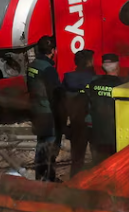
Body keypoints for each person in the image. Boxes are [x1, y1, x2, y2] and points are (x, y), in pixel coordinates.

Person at [26, 36, 61, 181]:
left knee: (40, 143)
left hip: (35, 111)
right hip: (48, 113)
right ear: (53, 51)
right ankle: (48, 178)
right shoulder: (48, 70)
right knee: (50, 145)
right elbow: (55, 95)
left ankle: (40, 176)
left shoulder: (32, 66)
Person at [61, 50, 97, 177]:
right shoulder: (95, 80)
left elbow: (61, 102)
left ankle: (74, 187)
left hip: (76, 123)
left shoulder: (68, 79)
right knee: (98, 161)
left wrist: (64, 125)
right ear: (89, 62)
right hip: (93, 124)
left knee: (77, 160)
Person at [85, 54, 123, 166]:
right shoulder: (122, 86)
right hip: (114, 134)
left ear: (102, 67)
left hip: (96, 132)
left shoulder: (93, 84)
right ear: (117, 66)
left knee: (98, 166)